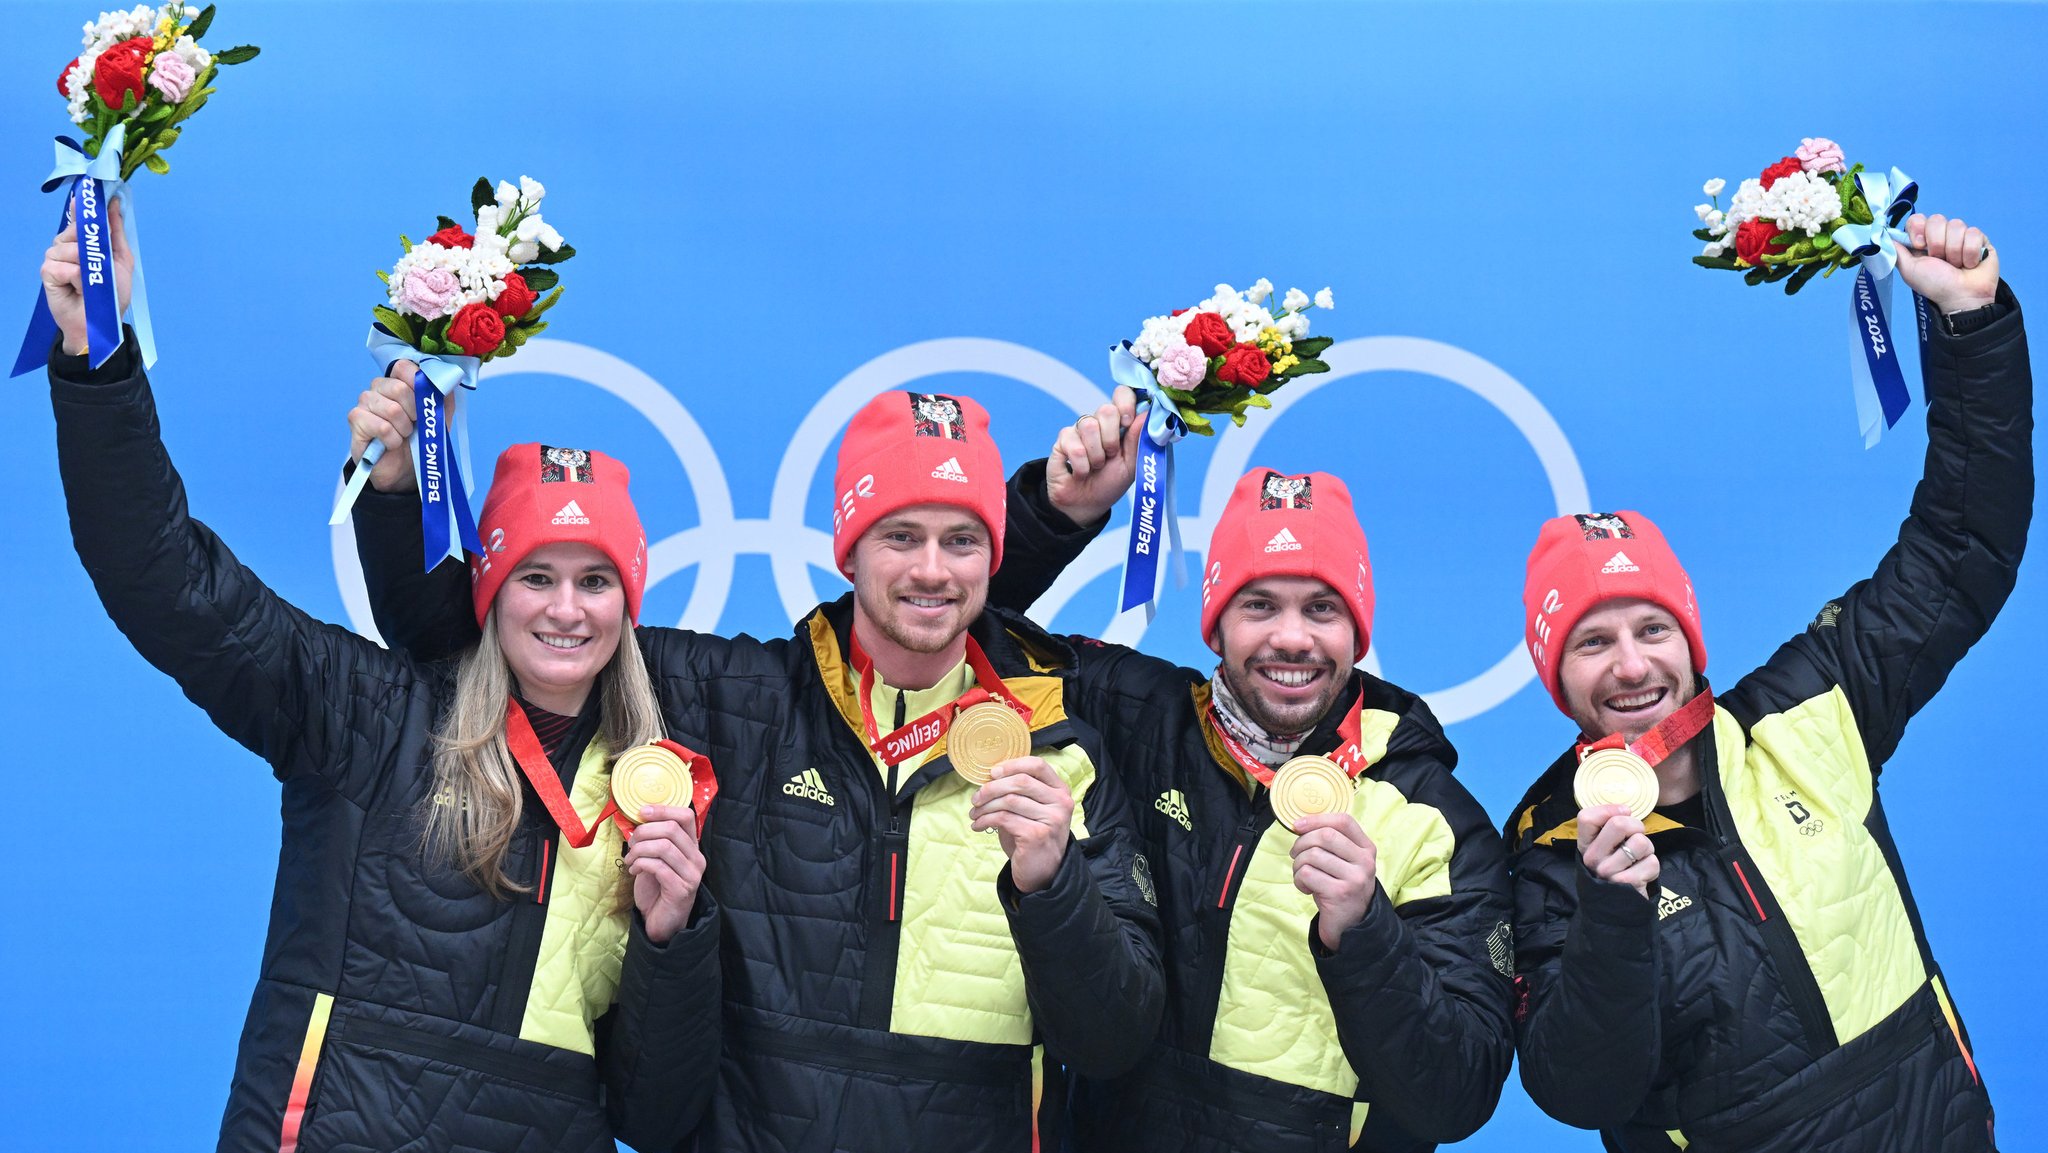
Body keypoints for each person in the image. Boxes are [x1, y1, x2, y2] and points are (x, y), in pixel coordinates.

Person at [38, 215, 720, 1152]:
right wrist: (95, 358)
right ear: (489, 587)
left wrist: (672, 939)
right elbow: (165, 581)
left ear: (629, 600)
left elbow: (659, 1116)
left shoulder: (659, 793)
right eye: (536, 575)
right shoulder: (364, 716)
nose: (567, 609)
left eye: (595, 579)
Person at [350, 384, 1165, 1150]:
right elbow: (486, 637)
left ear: (989, 559)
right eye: (899, 536)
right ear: (849, 549)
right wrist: (394, 490)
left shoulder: (1059, 757)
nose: (931, 568)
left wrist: (1052, 887)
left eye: (962, 541)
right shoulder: (733, 702)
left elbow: (1114, 1042)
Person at [1506, 212, 2027, 1153]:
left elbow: (1961, 548)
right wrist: (1610, 918)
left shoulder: (1809, 706)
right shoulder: (1548, 851)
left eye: (1653, 628)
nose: (1631, 665)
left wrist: (1971, 325)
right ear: (1556, 679)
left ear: (1690, 639)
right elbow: (1577, 1086)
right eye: (1592, 642)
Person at [988, 420, 1516, 1151]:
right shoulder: (1131, 716)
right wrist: (1055, 514)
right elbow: (950, 622)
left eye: (1321, 608)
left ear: (1357, 633)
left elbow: (1459, 1094)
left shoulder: (1435, 818)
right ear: (1216, 625)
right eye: (1260, 604)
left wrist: (1365, 934)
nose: (1292, 638)